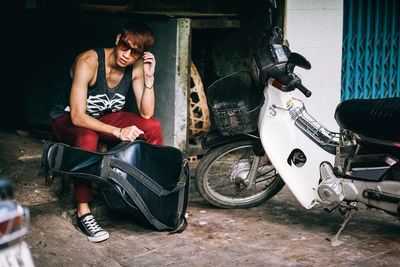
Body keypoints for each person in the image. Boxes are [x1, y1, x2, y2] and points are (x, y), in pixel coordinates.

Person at [49, 20, 163, 243]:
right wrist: (118, 132)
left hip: (104, 118)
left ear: (141, 55)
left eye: (135, 52)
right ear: (117, 39)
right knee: (87, 136)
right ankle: (84, 210)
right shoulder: (89, 61)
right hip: (67, 118)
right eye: (125, 46)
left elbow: (147, 114)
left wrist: (149, 79)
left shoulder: (136, 66)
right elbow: (77, 117)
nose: (127, 55)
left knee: (152, 126)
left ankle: (151, 196)